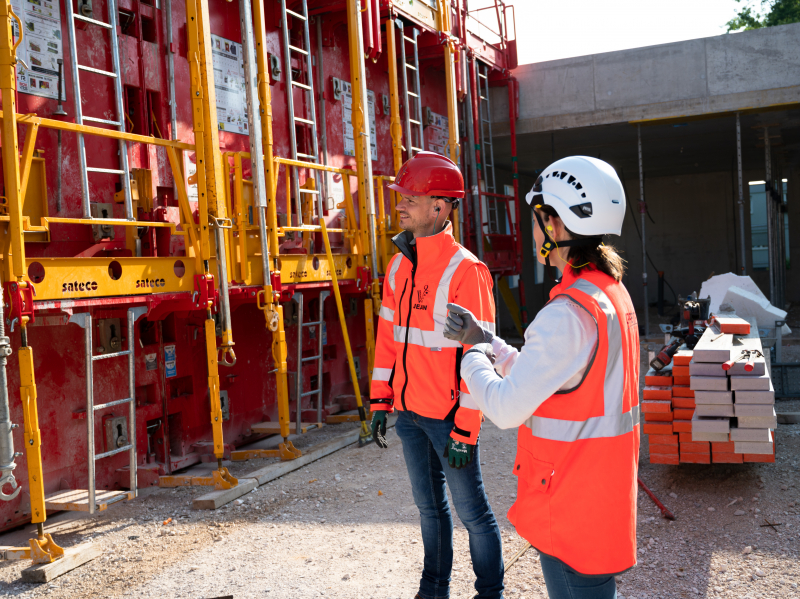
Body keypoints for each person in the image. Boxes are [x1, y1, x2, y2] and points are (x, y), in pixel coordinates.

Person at [444, 156, 640, 599]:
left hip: (571, 506)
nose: (533, 232)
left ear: (554, 225)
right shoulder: (608, 294)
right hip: (599, 501)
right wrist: (490, 341)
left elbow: (507, 407)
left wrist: (470, 352)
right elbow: (556, 379)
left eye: (537, 219)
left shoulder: (566, 313)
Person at [369, 151, 504, 599]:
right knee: (429, 510)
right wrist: (379, 400)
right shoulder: (398, 265)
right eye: (401, 196)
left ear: (440, 207)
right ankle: (433, 590)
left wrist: (467, 428)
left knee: (474, 515)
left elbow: (478, 354)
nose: (400, 204)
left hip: (449, 419)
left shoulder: (468, 271)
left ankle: (490, 593)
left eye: (411, 197)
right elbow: (389, 340)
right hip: (409, 414)